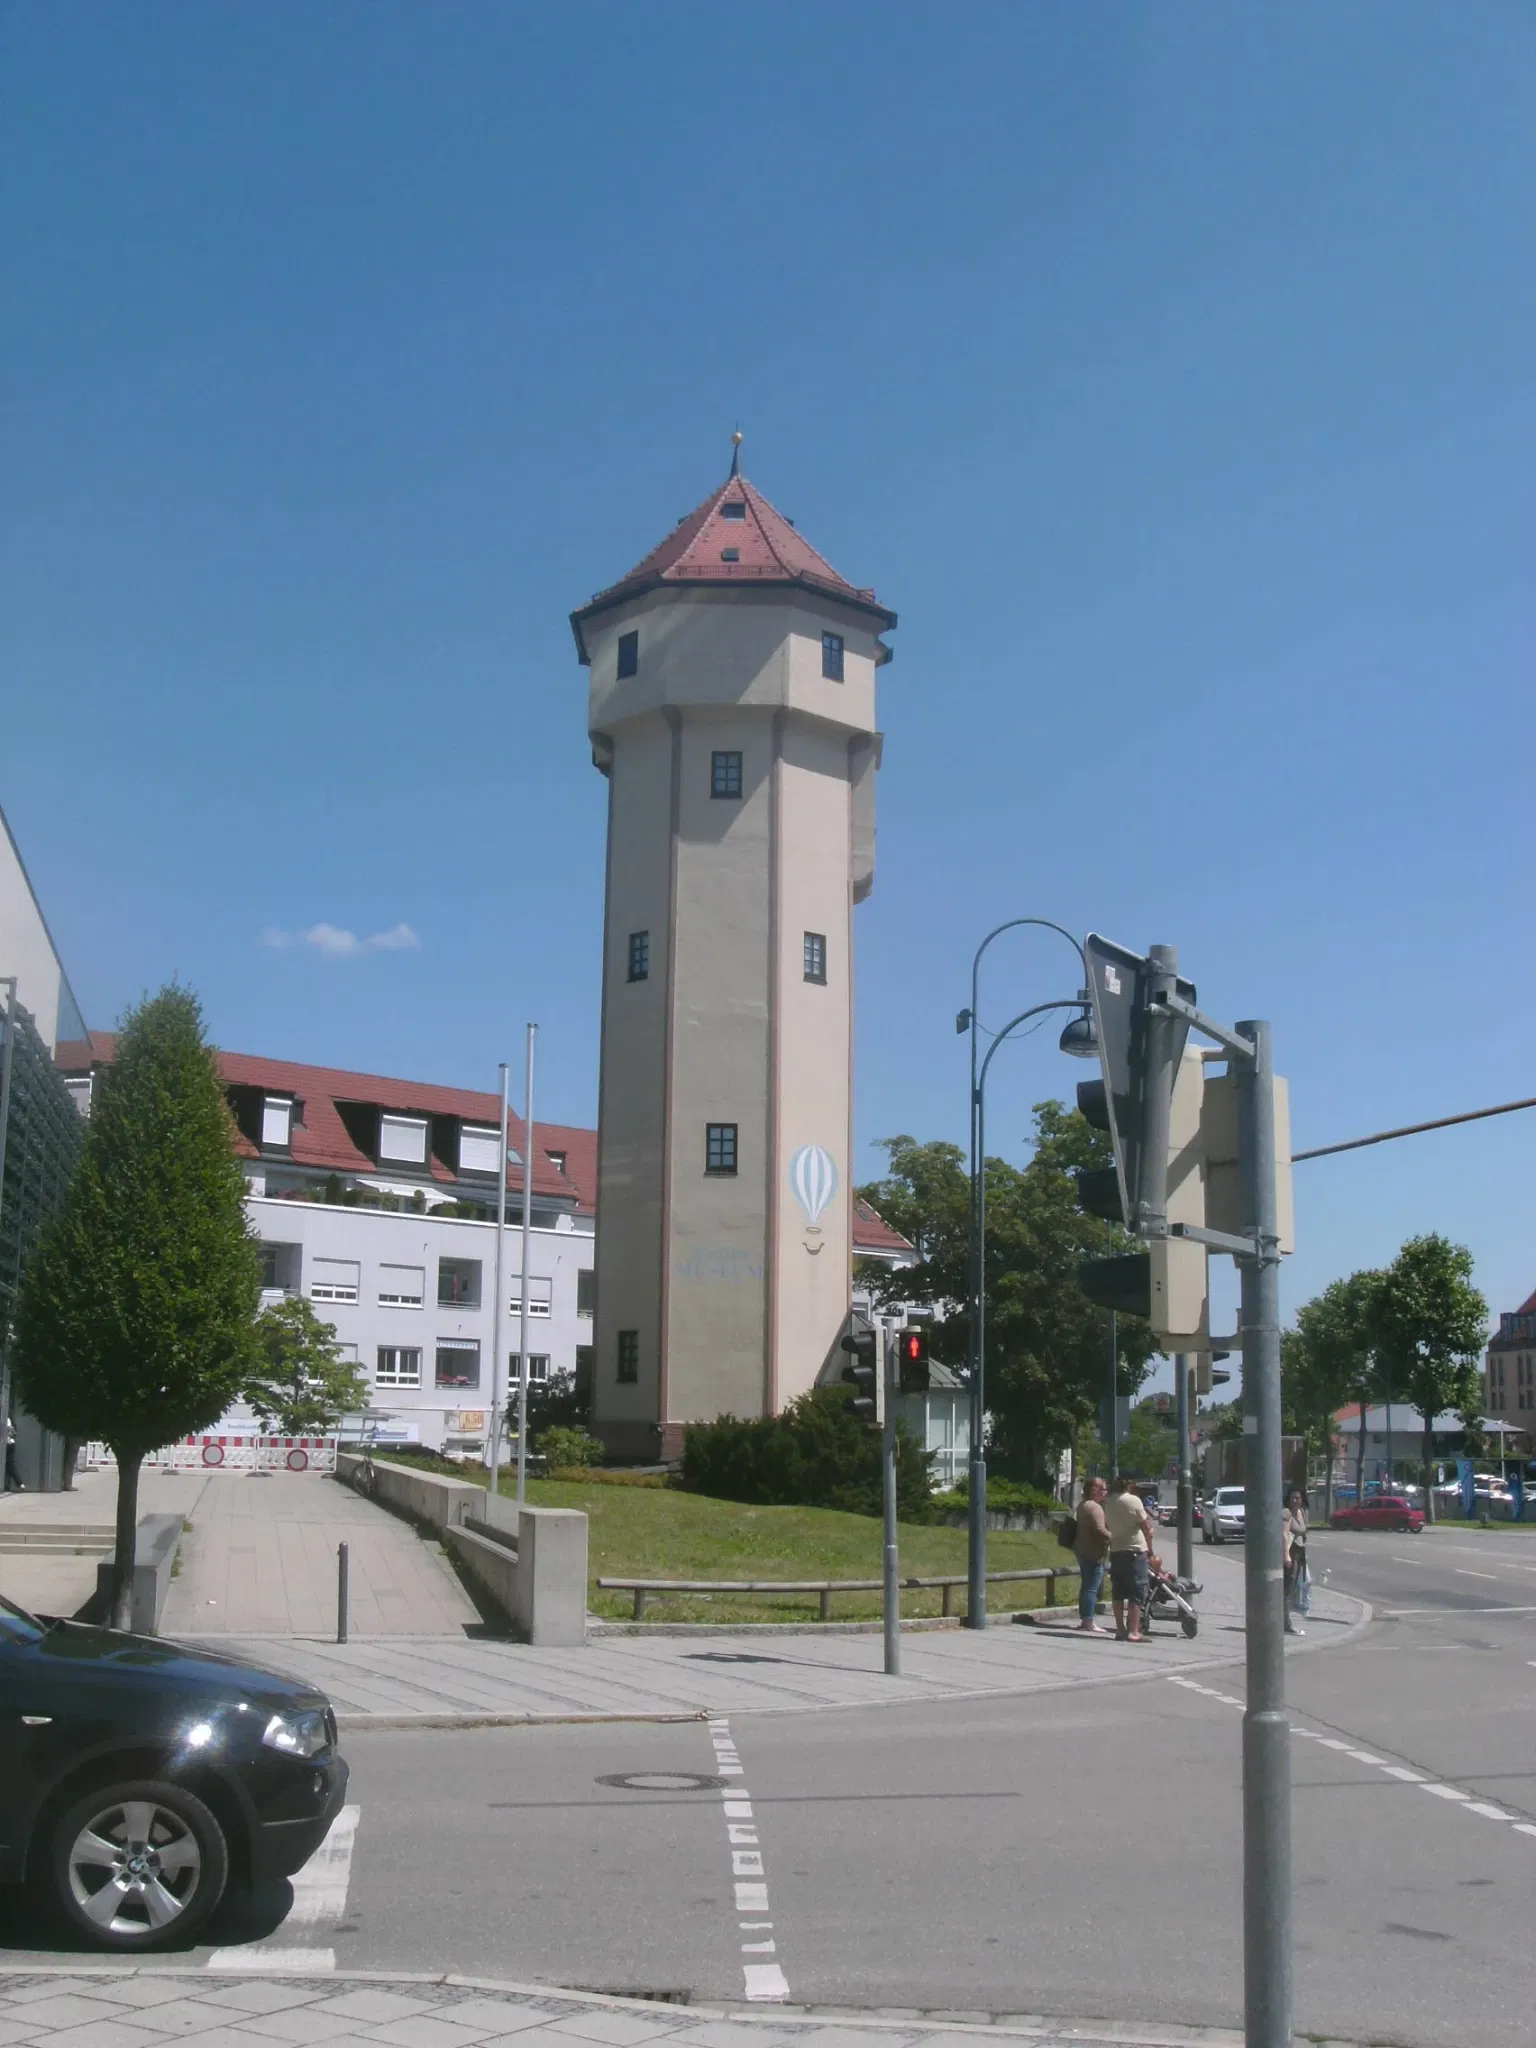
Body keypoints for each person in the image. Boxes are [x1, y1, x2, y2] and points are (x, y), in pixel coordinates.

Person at [1105, 1473, 1156, 1641]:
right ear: (1129, 1484)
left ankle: (1120, 1629)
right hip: (1135, 1550)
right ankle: (1134, 1631)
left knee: (1118, 1591)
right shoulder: (1133, 1501)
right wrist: (1150, 1550)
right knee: (1137, 1590)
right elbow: (1146, 1528)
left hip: (1116, 1550)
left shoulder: (1108, 1502)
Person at [1073, 1475, 1111, 1634]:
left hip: (1082, 1549)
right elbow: (1099, 1530)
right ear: (1093, 1489)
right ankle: (1088, 1620)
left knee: (1086, 1585)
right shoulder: (1095, 1507)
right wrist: (1114, 1538)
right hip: (1093, 1552)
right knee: (1091, 1587)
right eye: (1102, 1489)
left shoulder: (1083, 1505)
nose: (1105, 1492)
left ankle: (1084, 1618)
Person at [1283, 1488, 1308, 1635]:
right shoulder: (1286, 1513)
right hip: (1290, 1554)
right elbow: (1284, 1534)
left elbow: (1304, 1534)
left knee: (1294, 1589)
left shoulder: (1302, 1512)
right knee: (1287, 1590)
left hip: (1300, 1553)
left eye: (1298, 1498)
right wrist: (1286, 1555)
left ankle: (1286, 1620)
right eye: (1293, 1498)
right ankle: (1286, 1623)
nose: (1295, 1501)